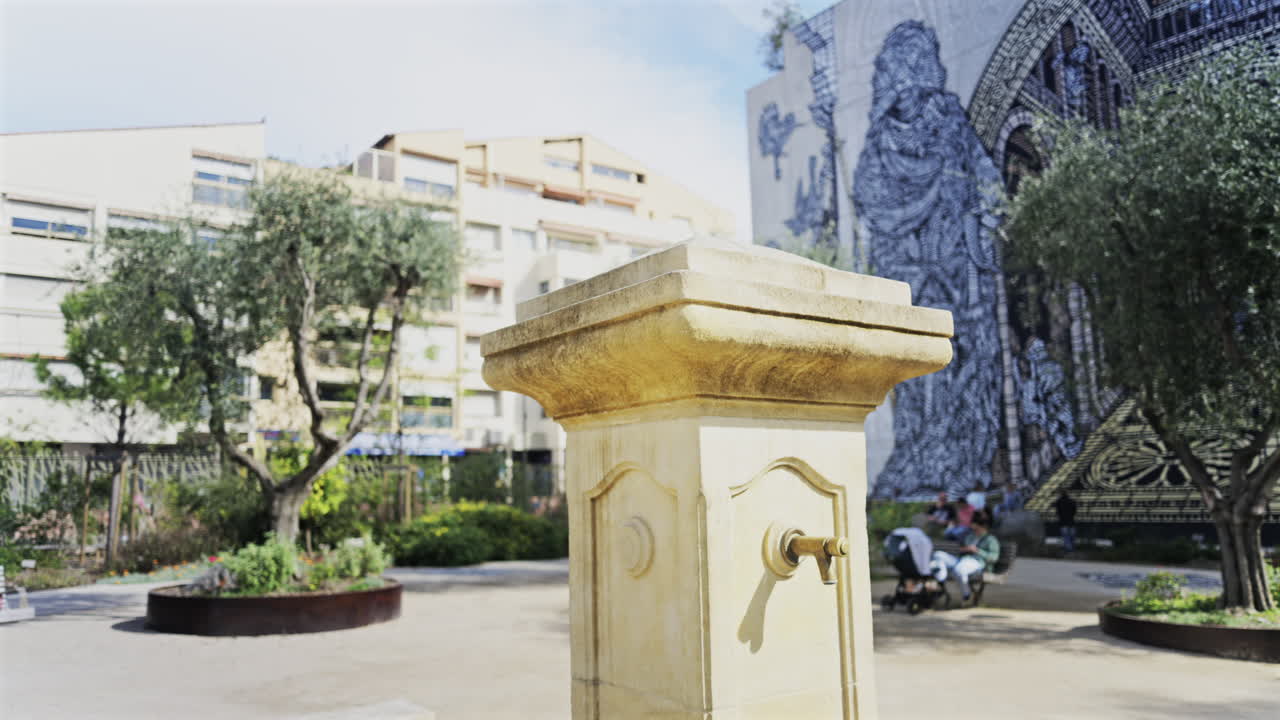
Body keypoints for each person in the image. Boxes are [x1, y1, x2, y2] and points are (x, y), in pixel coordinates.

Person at [933, 510, 1000, 604]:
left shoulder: (991, 540)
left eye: (975, 525)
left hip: (977, 563)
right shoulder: (970, 536)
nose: (972, 527)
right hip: (962, 560)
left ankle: (966, 595)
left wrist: (977, 551)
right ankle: (941, 578)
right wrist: (965, 549)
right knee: (938, 554)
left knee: (959, 569)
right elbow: (960, 549)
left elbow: (994, 558)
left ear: (982, 526)